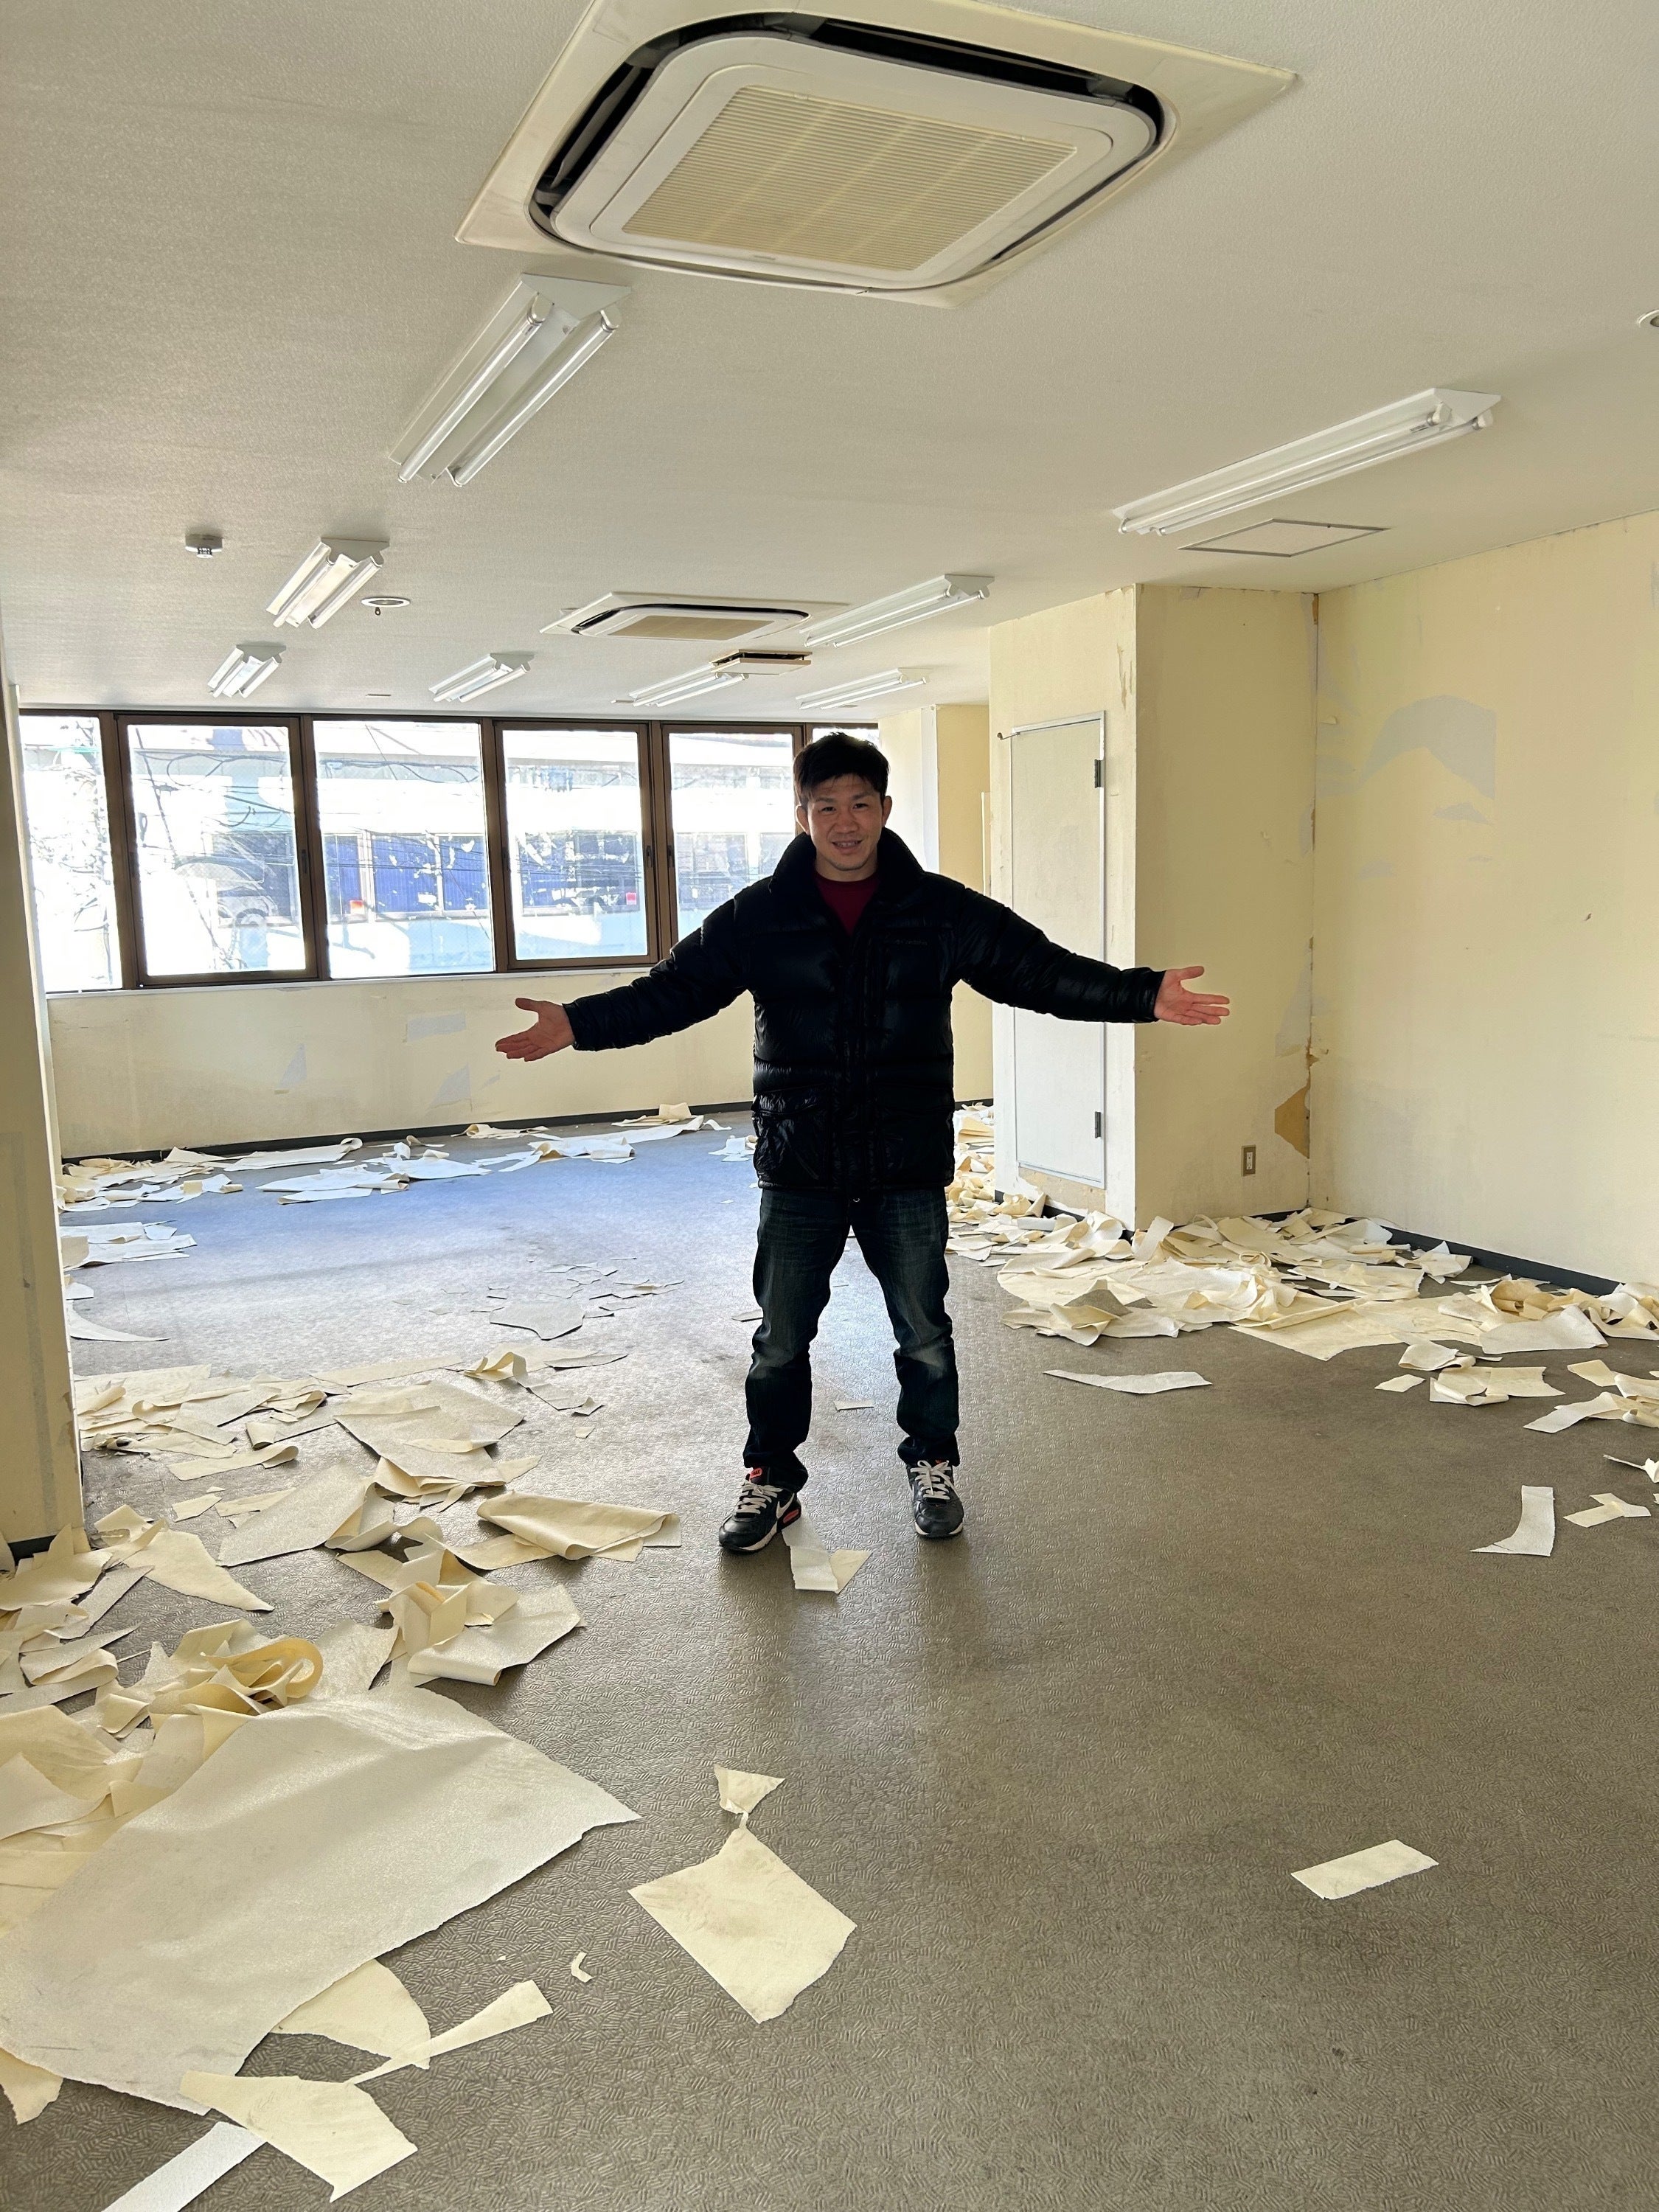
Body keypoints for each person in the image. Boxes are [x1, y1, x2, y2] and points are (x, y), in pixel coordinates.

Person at [496, 731, 1228, 1553]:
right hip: (800, 1163)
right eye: (826, 807)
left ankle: (933, 1463)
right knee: (780, 1342)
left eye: (859, 805)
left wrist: (1141, 995)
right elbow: (675, 991)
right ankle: (771, 1479)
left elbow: (1038, 970)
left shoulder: (941, 909)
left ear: (884, 809)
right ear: (801, 815)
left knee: (924, 1334)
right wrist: (577, 1023)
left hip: (902, 1161)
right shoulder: (759, 914)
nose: (844, 823)